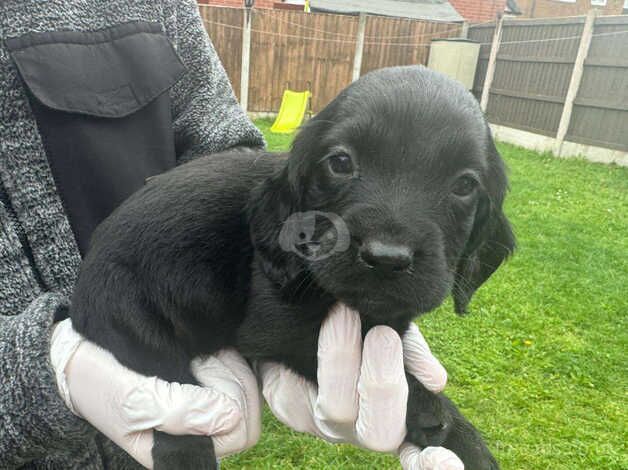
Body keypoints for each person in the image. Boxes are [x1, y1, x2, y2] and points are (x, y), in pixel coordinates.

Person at [0, 1, 461, 469]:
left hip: (200, 298)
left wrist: (306, 256)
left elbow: (223, 146)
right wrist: (40, 370)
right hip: (129, 302)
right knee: (183, 437)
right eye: (341, 163)